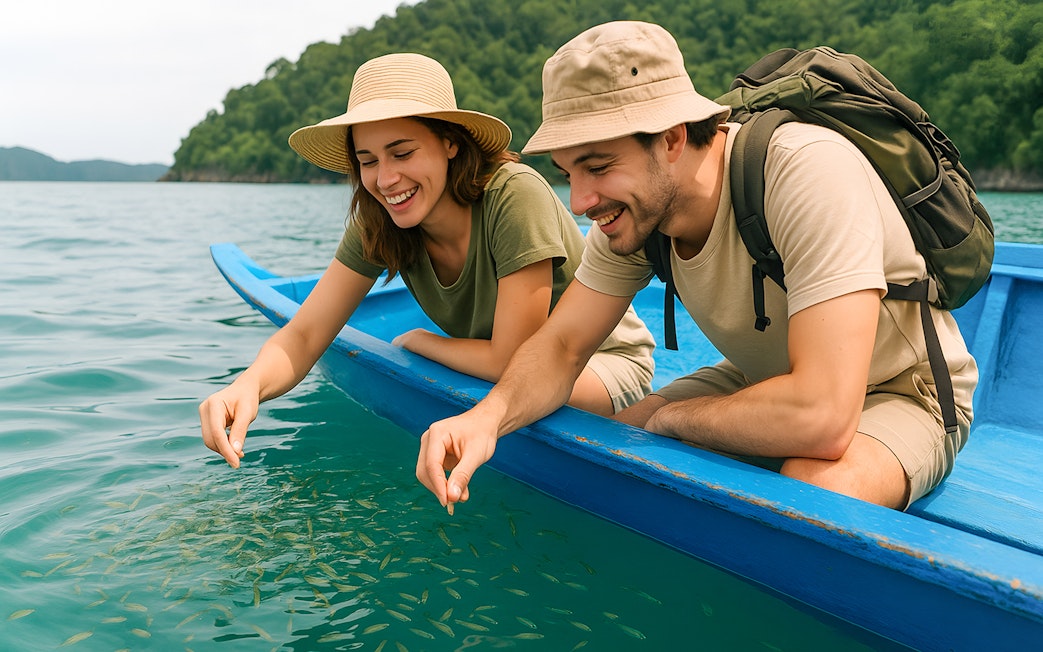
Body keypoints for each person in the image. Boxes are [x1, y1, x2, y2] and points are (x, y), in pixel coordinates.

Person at [416, 21, 977, 513]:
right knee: (617, 438)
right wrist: (483, 421)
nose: (580, 201)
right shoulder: (635, 215)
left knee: (815, 487)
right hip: (765, 377)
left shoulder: (803, 172)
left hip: (902, 390)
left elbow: (823, 416)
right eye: (568, 172)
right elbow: (562, 346)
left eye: (597, 166)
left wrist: (673, 417)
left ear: (671, 138)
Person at [200, 52, 655, 469]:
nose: (386, 178)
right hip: (514, 374)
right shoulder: (380, 219)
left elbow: (510, 360)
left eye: (403, 152)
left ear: (450, 143)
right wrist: (247, 386)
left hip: (596, 361)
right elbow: (303, 335)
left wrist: (421, 341)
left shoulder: (514, 195)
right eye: (368, 160)